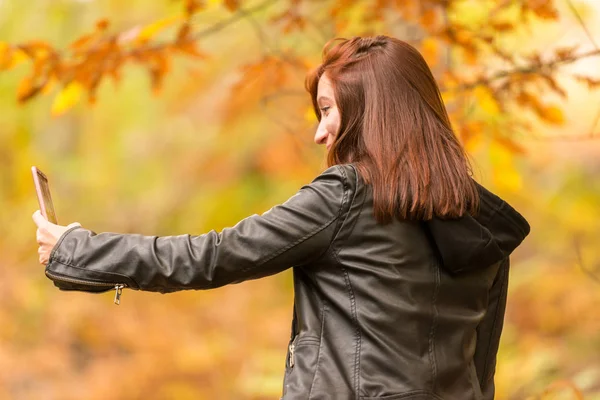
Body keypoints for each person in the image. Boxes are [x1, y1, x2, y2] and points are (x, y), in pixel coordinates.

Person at [33, 35, 530, 399]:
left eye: (328, 110)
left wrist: (77, 249)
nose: (320, 133)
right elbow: (481, 367)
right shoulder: (478, 215)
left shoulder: (346, 197)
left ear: (368, 113)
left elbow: (211, 256)